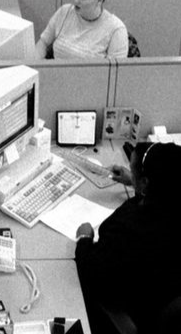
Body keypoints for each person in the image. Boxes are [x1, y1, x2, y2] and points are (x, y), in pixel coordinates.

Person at [75, 141, 181, 334]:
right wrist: (134, 180)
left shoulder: (130, 231)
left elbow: (92, 272)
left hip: (133, 307)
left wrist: (83, 239)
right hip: (163, 291)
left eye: (134, 170)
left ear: (146, 184)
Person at [36, 0, 128, 59]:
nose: (76, 1)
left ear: (99, 0)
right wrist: (33, 65)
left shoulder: (116, 29)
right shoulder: (64, 12)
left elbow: (115, 71)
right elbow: (43, 43)